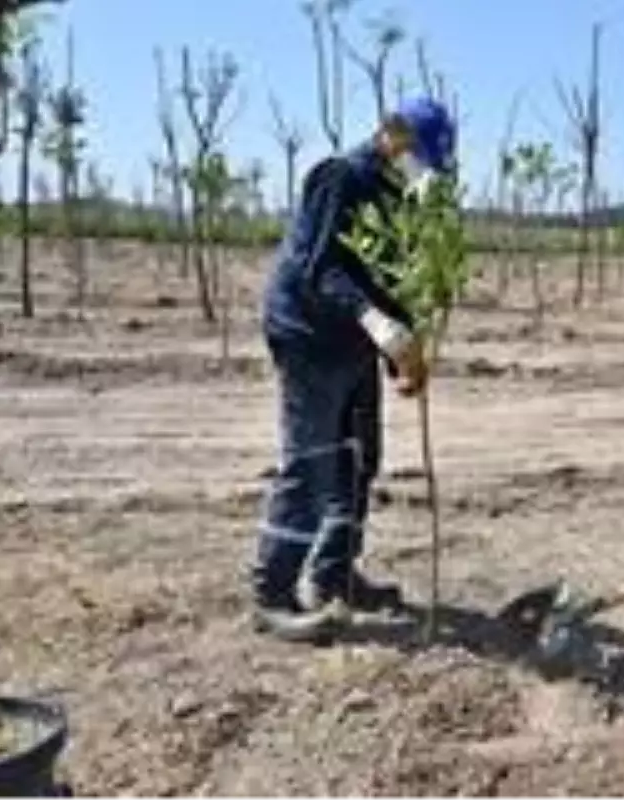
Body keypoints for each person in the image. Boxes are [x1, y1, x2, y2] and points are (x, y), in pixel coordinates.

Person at [250, 95, 457, 641]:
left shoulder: (396, 198)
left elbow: (386, 280)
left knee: (359, 459)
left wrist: (405, 350)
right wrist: (378, 324)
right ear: (394, 134)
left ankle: (335, 576)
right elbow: (324, 268)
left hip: (355, 343)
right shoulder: (338, 177)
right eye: (420, 154)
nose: (421, 168)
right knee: (313, 462)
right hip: (308, 334)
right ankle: (272, 594)